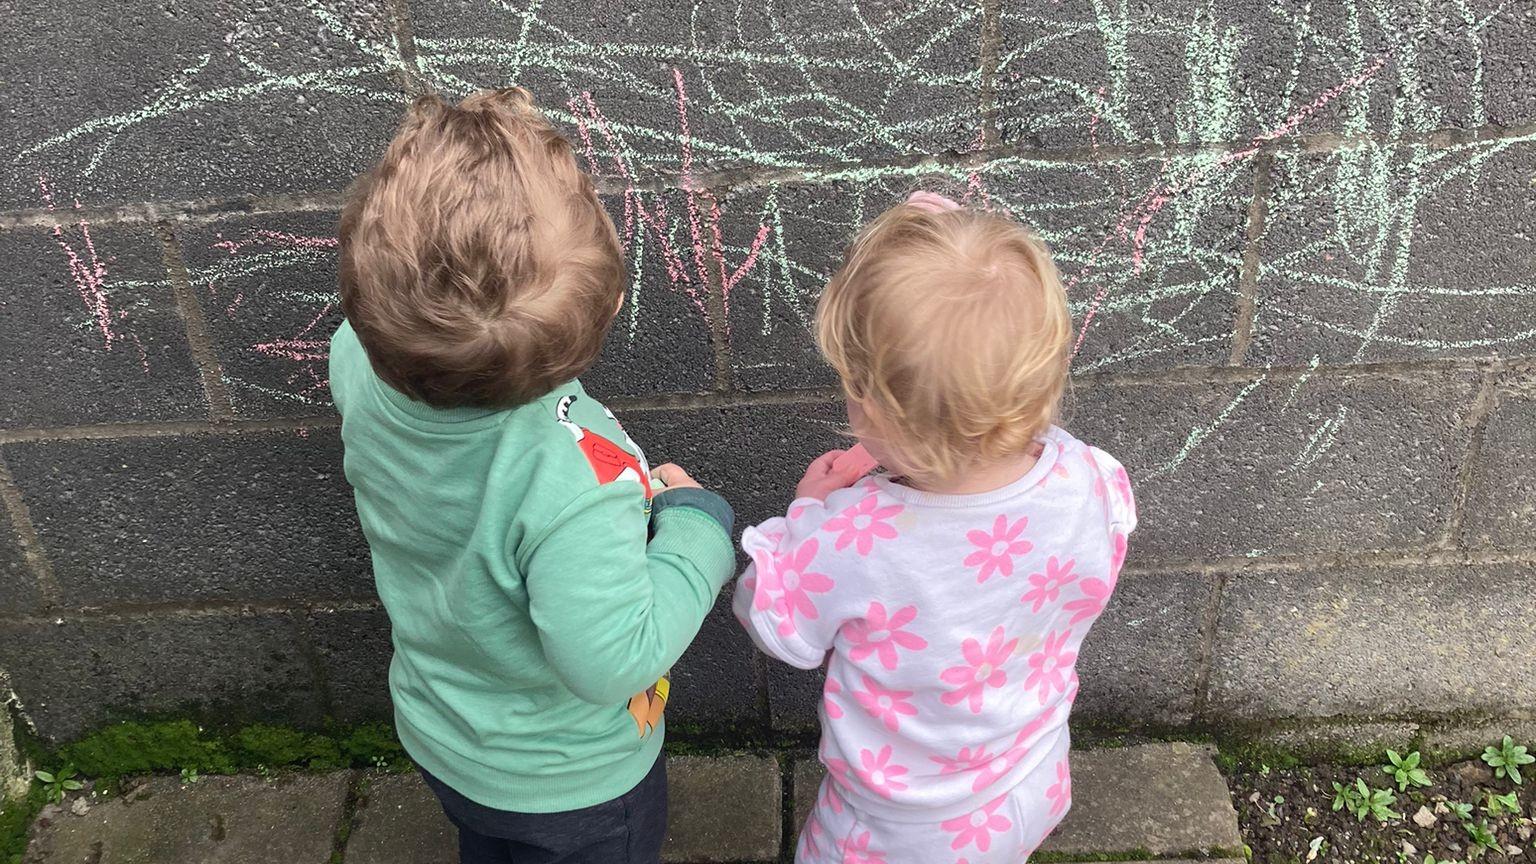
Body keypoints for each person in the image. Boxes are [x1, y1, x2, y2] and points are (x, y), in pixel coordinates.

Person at [329, 87, 736, 864]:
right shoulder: (575, 480)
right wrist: (695, 529)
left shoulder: (357, 360)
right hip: (572, 783)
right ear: (607, 304)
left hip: (444, 731)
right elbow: (613, 659)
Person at [733, 190, 1136, 863]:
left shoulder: (849, 537)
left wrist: (804, 515)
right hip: (1031, 775)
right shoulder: (1091, 477)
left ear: (868, 411)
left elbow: (775, 624)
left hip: (901, 828)